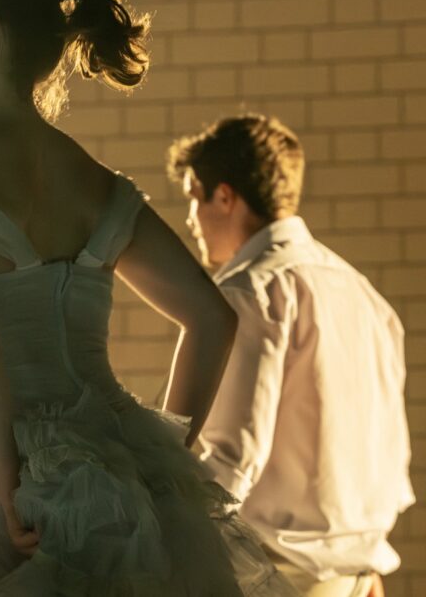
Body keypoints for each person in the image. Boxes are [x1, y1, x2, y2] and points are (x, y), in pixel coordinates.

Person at [0, 0, 298, 595]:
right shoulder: (97, 183)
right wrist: (164, 460)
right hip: (130, 471)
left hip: (19, 471)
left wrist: (8, 490)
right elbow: (211, 318)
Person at [167, 114, 414, 597]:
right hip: (360, 580)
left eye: (194, 197)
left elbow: (230, 465)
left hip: (279, 579)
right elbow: (389, 458)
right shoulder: (366, 296)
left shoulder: (249, 293)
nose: (190, 220)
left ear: (225, 196)